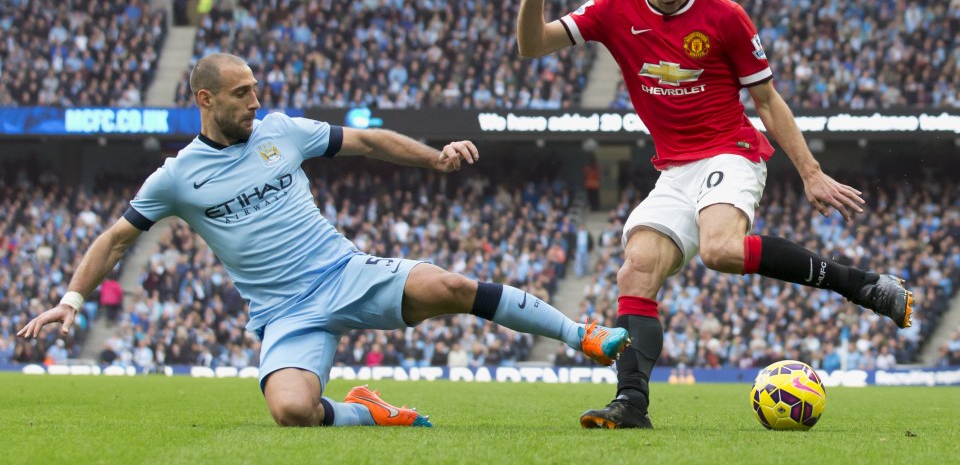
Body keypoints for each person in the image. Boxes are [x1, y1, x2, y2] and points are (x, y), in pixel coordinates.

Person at [18, 52, 629, 429]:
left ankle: (583, 336)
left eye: (256, 88)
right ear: (205, 100)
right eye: (241, 94)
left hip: (344, 272)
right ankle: (369, 411)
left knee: (453, 285)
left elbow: (367, 140)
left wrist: (436, 159)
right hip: (284, 314)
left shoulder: (281, 131)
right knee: (291, 412)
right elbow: (117, 238)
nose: (256, 101)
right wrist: (71, 301)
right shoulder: (177, 177)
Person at [515, 0, 914, 430]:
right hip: (675, 169)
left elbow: (767, 100)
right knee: (635, 269)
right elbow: (533, 46)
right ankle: (632, 404)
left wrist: (811, 173)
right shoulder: (614, 4)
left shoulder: (725, 16)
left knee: (720, 250)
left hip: (732, 150)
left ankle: (860, 285)